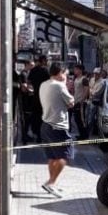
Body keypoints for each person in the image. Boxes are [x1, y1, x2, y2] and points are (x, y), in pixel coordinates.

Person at [39, 62, 75, 197]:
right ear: (60, 73)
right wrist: (66, 85)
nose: (66, 76)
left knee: (52, 156)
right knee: (64, 156)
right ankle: (51, 182)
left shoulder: (44, 84)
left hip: (46, 124)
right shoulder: (60, 86)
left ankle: (51, 184)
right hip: (58, 126)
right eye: (65, 74)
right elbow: (71, 102)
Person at [27, 55, 50, 144]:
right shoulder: (46, 71)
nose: (47, 62)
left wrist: (33, 88)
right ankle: (42, 136)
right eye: (46, 60)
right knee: (43, 117)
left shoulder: (33, 70)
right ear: (43, 61)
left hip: (35, 96)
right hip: (44, 97)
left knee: (35, 116)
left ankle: (36, 134)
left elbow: (29, 82)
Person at [71, 64, 91, 140]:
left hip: (81, 103)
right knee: (77, 119)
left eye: (76, 69)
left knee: (81, 120)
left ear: (80, 70)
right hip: (76, 102)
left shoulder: (84, 79)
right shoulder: (76, 79)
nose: (74, 71)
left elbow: (86, 91)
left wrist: (81, 101)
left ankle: (84, 136)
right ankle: (81, 134)